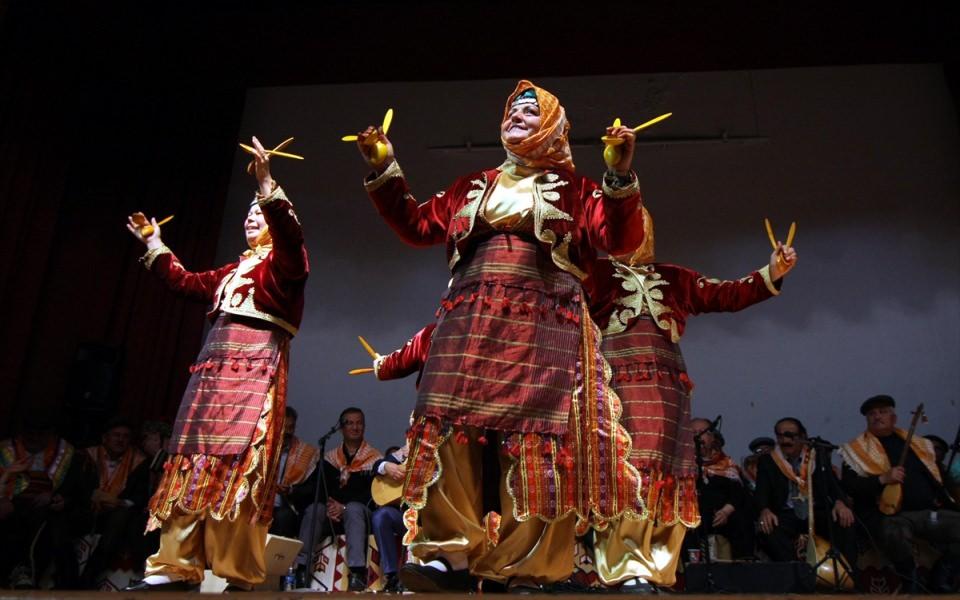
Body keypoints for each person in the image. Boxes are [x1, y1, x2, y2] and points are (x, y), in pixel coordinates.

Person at [357, 80, 646, 591]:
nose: (517, 115)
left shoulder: (576, 190)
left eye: (531, 111)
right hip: (467, 320)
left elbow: (619, 240)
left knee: (535, 445)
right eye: (513, 109)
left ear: (553, 127)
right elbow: (417, 225)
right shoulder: (472, 184)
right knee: (449, 430)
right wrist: (383, 168)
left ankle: (525, 564)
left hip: (545, 320)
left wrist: (619, 175)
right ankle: (448, 552)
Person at [124, 136, 308, 591]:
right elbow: (185, 283)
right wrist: (156, 243)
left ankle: (235, 570)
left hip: (255, 373)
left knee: (241, 466)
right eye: (246, 216)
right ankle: (174, 565)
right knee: (191, 462)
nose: (250, 221)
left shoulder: (287, 266)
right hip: (212, 376)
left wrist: (267, 183)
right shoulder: (230, 272)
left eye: (258, 215)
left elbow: (289, 235)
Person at [582, 208, 796, 589]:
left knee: (666, 474)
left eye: (640, 225)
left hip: (667, 391)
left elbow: (725, 294)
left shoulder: (674, 277)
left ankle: (654, 567)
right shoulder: (593, 274)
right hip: (616, 385)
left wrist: (771, 274)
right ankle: (621, 567)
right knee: (627, 471)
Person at [840, 395, 959, 593]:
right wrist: (881, 480)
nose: (877, 416)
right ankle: (910, 579)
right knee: (893, 529)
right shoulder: (855, 451)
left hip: (928, 513)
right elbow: (850, 486)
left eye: (883, 411)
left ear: (894, 418)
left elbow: (938, 479)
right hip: (892, 516)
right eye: (872, 414)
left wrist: (946, 501)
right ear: (867, 420)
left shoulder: (919, 445)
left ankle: (943, 572)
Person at [0, 413, 95, 589]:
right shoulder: (6, 450)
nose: (35, 438)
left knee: (52, 527)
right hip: (11, 504)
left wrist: (59, 497)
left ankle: (34, 575)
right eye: (31, 433)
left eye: (40, 434)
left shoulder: (69, 455)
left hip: (51, 510)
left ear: (50, 435)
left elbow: (80, 492)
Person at [297, 407, 381, 592]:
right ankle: (301, 569)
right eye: (349, 423)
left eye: (359, 422)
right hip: (330, 515)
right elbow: (316, 488)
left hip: (358, 516)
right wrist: (328, 506)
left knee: (353, 508)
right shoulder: (329, 458)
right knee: (314, 510)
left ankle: (357, 573)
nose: (355, 427)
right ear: (341, 428)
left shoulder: (374, 459)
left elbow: (374, 494)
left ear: (364, 427)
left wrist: (343, 508)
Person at [755, 418, 856, 569]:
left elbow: (833, 486)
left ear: (803, 436)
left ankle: (847, 574)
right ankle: (796, 573)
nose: (785, 440)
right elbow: (761, 493)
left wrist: (840, 502)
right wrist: (764, 510)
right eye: (780, 436)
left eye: (790, 435)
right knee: (768, 529)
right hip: (786, 513)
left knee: (845, 521)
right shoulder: (768, 461)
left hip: (816, 510)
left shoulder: (817, 456)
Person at [82, 418, 150, 587]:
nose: (121, 440)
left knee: (121, 518)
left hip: (117, 513)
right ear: (105, 438)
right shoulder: (87, 456)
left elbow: (139, 498)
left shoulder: (139, 461)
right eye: (116, 435)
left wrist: (118, 502)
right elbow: (77, 488)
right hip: (86, 508)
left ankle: (90, 577)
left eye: (125, 437)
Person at [682, 418, 756, 561]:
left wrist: (726, 511)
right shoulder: (681, 465)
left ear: (712, 438)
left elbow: (739, 491)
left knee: (741, 518)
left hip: (724, 514)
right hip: (694, 513)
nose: (698, 436)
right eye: (693, 432)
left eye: (703, 432)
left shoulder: (725, 463)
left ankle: (744, 565)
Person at [270, 406, 320, 538]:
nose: (287, 432)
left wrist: (291, 490)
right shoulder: (263, 451)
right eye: (283, 427)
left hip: (289, 507)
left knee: (283, 516)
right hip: (259, 506)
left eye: (290, 427)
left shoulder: (306, 453)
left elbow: (312, 489)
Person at [370, 444, 409, 593]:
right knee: (381, 516)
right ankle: (392, 576)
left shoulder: (442, 452)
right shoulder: (409, 450)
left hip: (430, 518)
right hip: (405, 517)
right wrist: (387, 466)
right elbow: (377, 465)